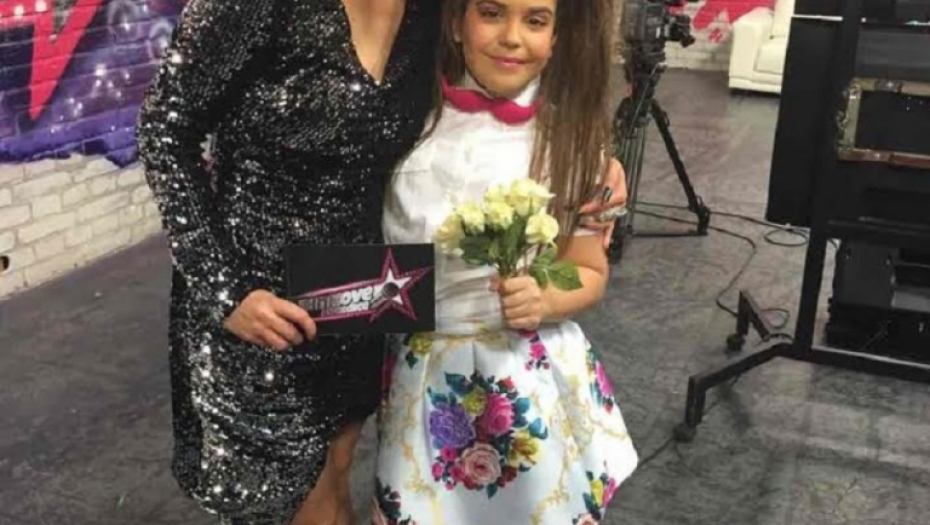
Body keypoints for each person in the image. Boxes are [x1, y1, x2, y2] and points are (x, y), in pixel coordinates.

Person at [137, 1, 626, 524]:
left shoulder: (429, 14)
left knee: (337, 475)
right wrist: (224, 288)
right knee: (290, 500)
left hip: (363, 297)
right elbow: (165, 130)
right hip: (260, 304)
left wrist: (588, 156)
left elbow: (506, 69)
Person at [376, 0, 639, 523]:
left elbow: (590, 270)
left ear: (556, 37)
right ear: (457, 23)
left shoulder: (572, 144)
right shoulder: (408, 128)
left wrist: (546, 298)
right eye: (492, 14)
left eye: (536, 21)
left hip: (525, 382)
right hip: (426, 376)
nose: (512, 37)